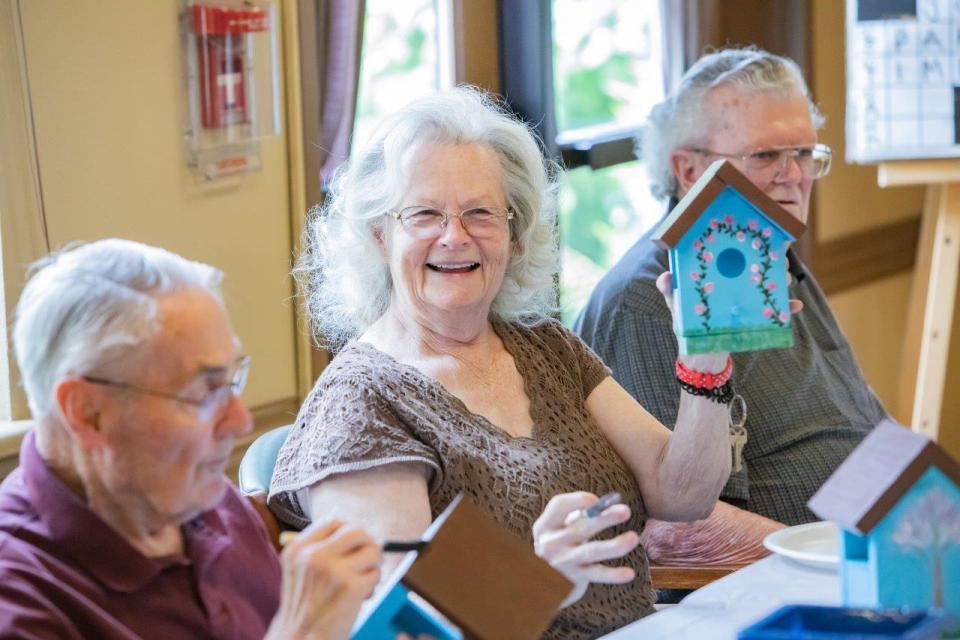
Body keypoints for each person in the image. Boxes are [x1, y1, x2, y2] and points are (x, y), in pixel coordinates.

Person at [268, 86, 736, 639]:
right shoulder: (362, 402)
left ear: (513, 236)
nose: (454, 237)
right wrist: (538, 578)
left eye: (479, 213)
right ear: (379, 237)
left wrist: (706, 355)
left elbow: (683, 494)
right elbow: (405, 631)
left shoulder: (544, 346)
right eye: (424, 215)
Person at [574, 47, 889, 568]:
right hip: (799, 587)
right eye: (765, 156)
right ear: (688, 169)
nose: (794, 175)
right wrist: (851, 565)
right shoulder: (649, 298)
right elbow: (680, 530)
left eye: (806, 153)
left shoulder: (767, 255)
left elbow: (860, 427)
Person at [0, 239, 382, 640]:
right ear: (88, 413)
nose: (239, 420)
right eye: (203, 393)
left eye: (231, 381)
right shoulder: (21, 604)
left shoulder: (200, 494)